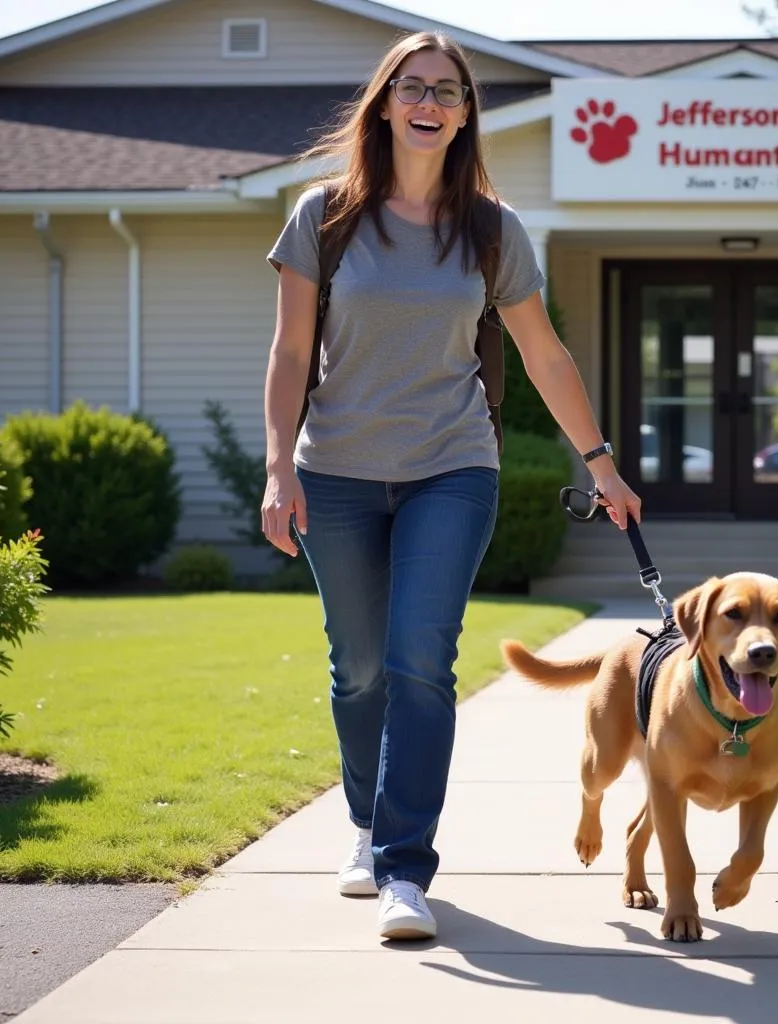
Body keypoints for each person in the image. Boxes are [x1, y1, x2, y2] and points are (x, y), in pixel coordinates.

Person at [261, 30, 641, 942]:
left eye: (449, 90)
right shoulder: (325, 216)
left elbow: (541, 353)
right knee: (358, 670)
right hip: (337, 470)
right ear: (386, 102)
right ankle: (365, 822)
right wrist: (278, 466)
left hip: (452, 466)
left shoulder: (491, 230)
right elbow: (288, 350)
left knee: (420, 662)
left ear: (466, 113)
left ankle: (404, 869)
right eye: (413, 86)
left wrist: (602, 464)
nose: (429, 101)